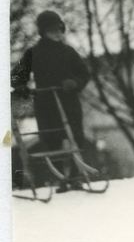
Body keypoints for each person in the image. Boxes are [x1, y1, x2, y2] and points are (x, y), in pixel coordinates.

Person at [11, 10, 91, 188]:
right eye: (52, 29)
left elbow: (84, 73)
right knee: (52, 140)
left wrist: (74, 82)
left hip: (69, 102)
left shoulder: (68, 51)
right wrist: (22, 86)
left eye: (60, 29)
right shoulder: (34, 53)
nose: (58, 32)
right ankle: (61, 178)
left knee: (75, 138)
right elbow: (16, 77)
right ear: (43, 31)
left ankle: (77, 176)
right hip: (46, 104)